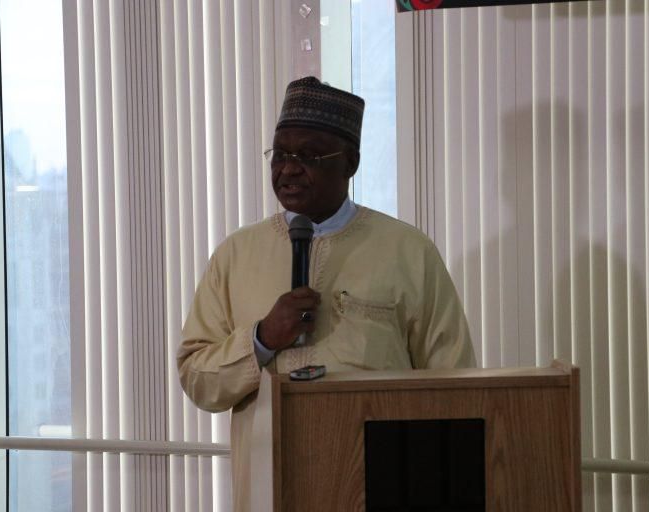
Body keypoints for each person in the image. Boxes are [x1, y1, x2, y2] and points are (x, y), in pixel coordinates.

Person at [178, 76, 476, 510]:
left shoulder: (406, 250)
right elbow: (198, 379)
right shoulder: (236, 254)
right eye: (280, 155)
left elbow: (454, 382)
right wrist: (261, 339)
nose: (288, 168)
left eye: (309, 155)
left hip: (380, 482)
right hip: (271, 484)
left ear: (350, 163)